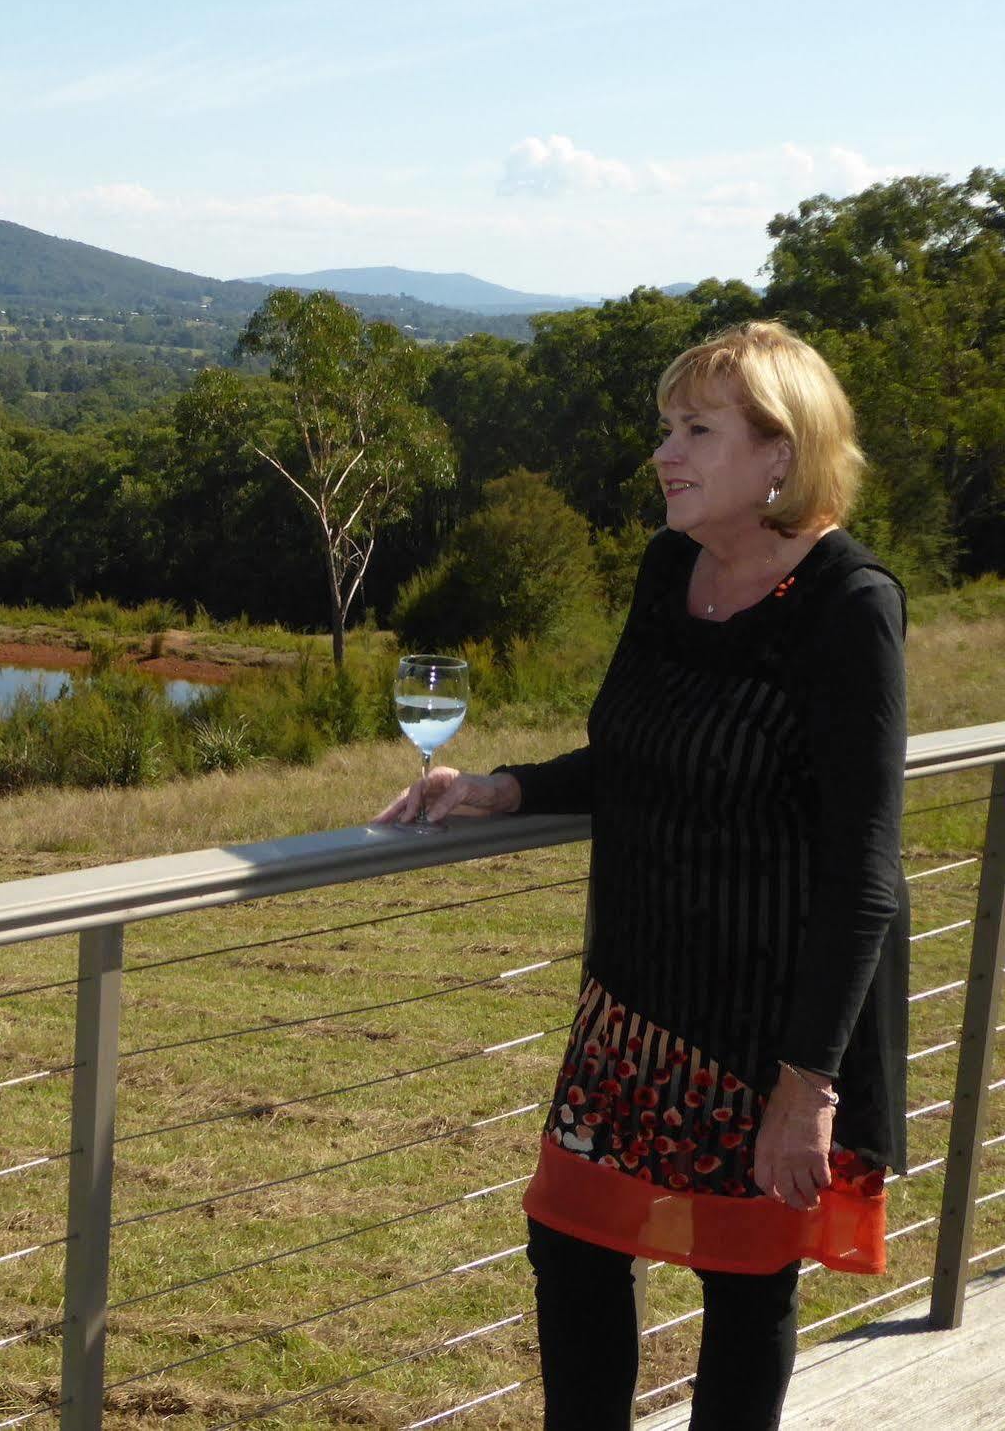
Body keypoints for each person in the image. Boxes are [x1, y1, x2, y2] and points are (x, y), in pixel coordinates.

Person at [375, 321, 908, 1431]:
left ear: (779, 451)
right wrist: (500, 788)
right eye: (666, 428)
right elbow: (628, 756)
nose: (664, 453)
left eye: (695, 429)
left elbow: (863, 867)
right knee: (569, 1250)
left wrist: (805, 1085)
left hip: (763, 1040)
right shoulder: (669, 571)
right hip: (632, 1014)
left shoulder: (847, 606)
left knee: (743, 1286)